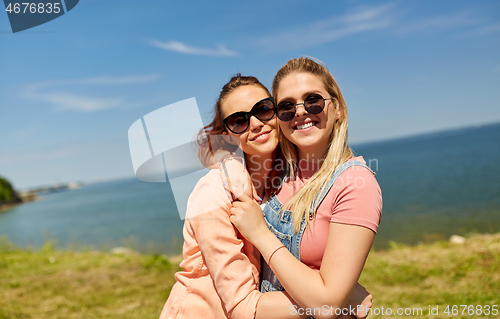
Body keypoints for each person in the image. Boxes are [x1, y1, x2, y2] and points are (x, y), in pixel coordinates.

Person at [160, 74, 371, 319]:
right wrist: (336, 300)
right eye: (239, 121)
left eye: (263, 109)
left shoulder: (283, 179)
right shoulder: (214, 194)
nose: (256, 124)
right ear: (227, 135)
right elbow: (244, 308)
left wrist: (333, 292)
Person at [229, 57, 382, 319]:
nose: (300, 112)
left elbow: (327, 305)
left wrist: (261, 234)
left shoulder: (355, 184)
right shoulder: (276, 170)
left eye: (313, 100)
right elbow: (218, 143)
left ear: (339, 109)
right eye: (286, 106)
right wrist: (348, 294)